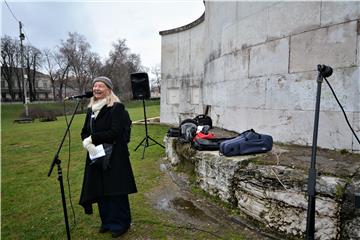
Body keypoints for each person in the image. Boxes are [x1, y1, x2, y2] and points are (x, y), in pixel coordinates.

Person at [79, 76, 137, 238]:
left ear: (109, 90)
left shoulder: (116, 108)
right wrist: (87, 142)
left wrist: (92, 139)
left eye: (101, 86)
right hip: (97, 154)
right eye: (95, 86)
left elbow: (115, 132)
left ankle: (121, 223)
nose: (96, 88)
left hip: (115, 156)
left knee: (115, 190)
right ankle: (107, 222)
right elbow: (85, 131)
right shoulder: (91, 110)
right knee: (101, 189)